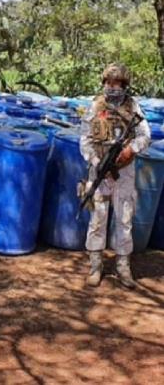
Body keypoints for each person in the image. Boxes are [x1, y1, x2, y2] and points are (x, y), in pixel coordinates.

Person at [80, 63, 151, 289]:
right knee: (98, 218)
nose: (112, 87)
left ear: (124, 85)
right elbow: (85, 140)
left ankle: (123, 267)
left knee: (124, 218)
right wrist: (96, 162)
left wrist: (131, 150)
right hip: (100, 169)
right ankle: (95, 265)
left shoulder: (133, 107)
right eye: (109, 83)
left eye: (117, 83)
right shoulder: (95, 106)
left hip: (125, 172)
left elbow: (145, 135)